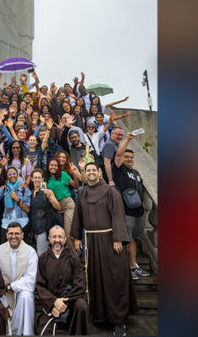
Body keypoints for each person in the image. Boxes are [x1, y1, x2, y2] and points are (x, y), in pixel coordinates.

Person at [70, 163, 135, 336]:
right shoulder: (82, 193)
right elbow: (77, 216)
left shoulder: (110, 191)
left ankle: (119, 320)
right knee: (96, 278)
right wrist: (76, 238)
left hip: (110, 241)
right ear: (84, 174)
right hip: (91, 241)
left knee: (114, 279)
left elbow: (118, 214)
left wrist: (118, 238)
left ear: (99, 173)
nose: (90, 173)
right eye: (87, 170)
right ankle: (100, 316)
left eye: (93, 170)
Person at [111, 131, 155, 279]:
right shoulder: (118, 170)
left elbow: (141, 189)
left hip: (138, 212)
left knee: (133, 239)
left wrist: (143, 203)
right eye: (126, 157)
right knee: (126, 239)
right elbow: (118, 155)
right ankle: (125, 268)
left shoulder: (136, 172)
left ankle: (133, 265)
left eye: (131, 157)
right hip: (126, 211)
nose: (129, 159)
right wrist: (128, 140)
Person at [34, 225, 89, 335]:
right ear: (49, 239)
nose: (57, 240)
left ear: (65, 239)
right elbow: (40, 287)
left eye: (60, 237)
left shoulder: (74, 258)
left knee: (82, 305)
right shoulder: (43, 259)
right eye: (54, 237)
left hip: (69, 303)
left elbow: (79, 286)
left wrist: (62, 304)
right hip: (51, 305)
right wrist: (54, 302)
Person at [0, 222, 37, 335]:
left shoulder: (30, 252)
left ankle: (25, 333)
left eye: (17, 233)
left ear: (22, 235)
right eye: (11, 233)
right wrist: (5, 291)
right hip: (4, 292)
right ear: (6, 235)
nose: (14, 236)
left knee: (26, 296)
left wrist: (12, 286)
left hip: (21, 292)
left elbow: (30, 280)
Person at [0, 167, 32, 241]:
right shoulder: (4, 189)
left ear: (17, 175)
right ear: (7, 176)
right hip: (7, 223)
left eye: (14, 173)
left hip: (22, 223)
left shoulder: (24, 190)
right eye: (9, 174)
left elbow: (27, 210)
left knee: (21, 249)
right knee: (5, 248)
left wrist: (17, 199)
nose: (12, 175)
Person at [28, 169, 62, 255]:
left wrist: (50, 197)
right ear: (31, 179)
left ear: (43, 179)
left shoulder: (48, 191)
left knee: (41, 254)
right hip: (35, 227)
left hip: (45, 227)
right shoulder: (31, 193)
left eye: (39, 178)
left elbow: (58, 207)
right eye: (35, 177)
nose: (37, 180)